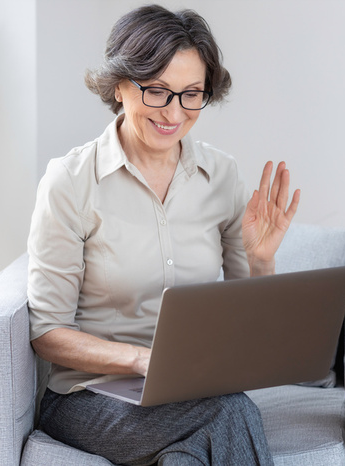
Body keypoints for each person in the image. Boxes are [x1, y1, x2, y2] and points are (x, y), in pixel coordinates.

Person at [27, 5, 299, 465]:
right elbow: (47, 332)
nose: (174, 112)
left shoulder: (220, 174)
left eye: (192, 94)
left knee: (186, 456)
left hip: (191, 392)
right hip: (88, 398)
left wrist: (262, 262)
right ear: (119, 85)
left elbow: (250, 322)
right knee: (226, 414)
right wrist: (140, 359)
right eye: (157, 91)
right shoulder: (71, 181)